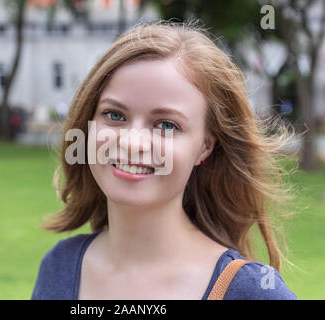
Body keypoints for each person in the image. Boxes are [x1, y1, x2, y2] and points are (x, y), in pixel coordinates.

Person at [31, 21, 298, 300]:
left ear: (205, 147)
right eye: (115, 115)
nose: (133, 143)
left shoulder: (253, 292)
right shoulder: (59, 268)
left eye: (167, 125)